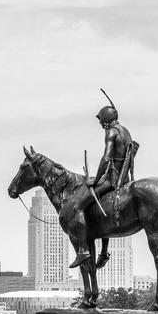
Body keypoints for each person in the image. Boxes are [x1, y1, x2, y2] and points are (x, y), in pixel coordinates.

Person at [62, 102, 136, 268]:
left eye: (101, 120)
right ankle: (103, 252)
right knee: (101, 211)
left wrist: (95, 181)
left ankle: (83, 250)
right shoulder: (126, 131)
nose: (101, 124)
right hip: (124, 179)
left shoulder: (111, 132)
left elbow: (106, 158)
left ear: (106, 119)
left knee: (78, 207)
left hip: (112, 179)